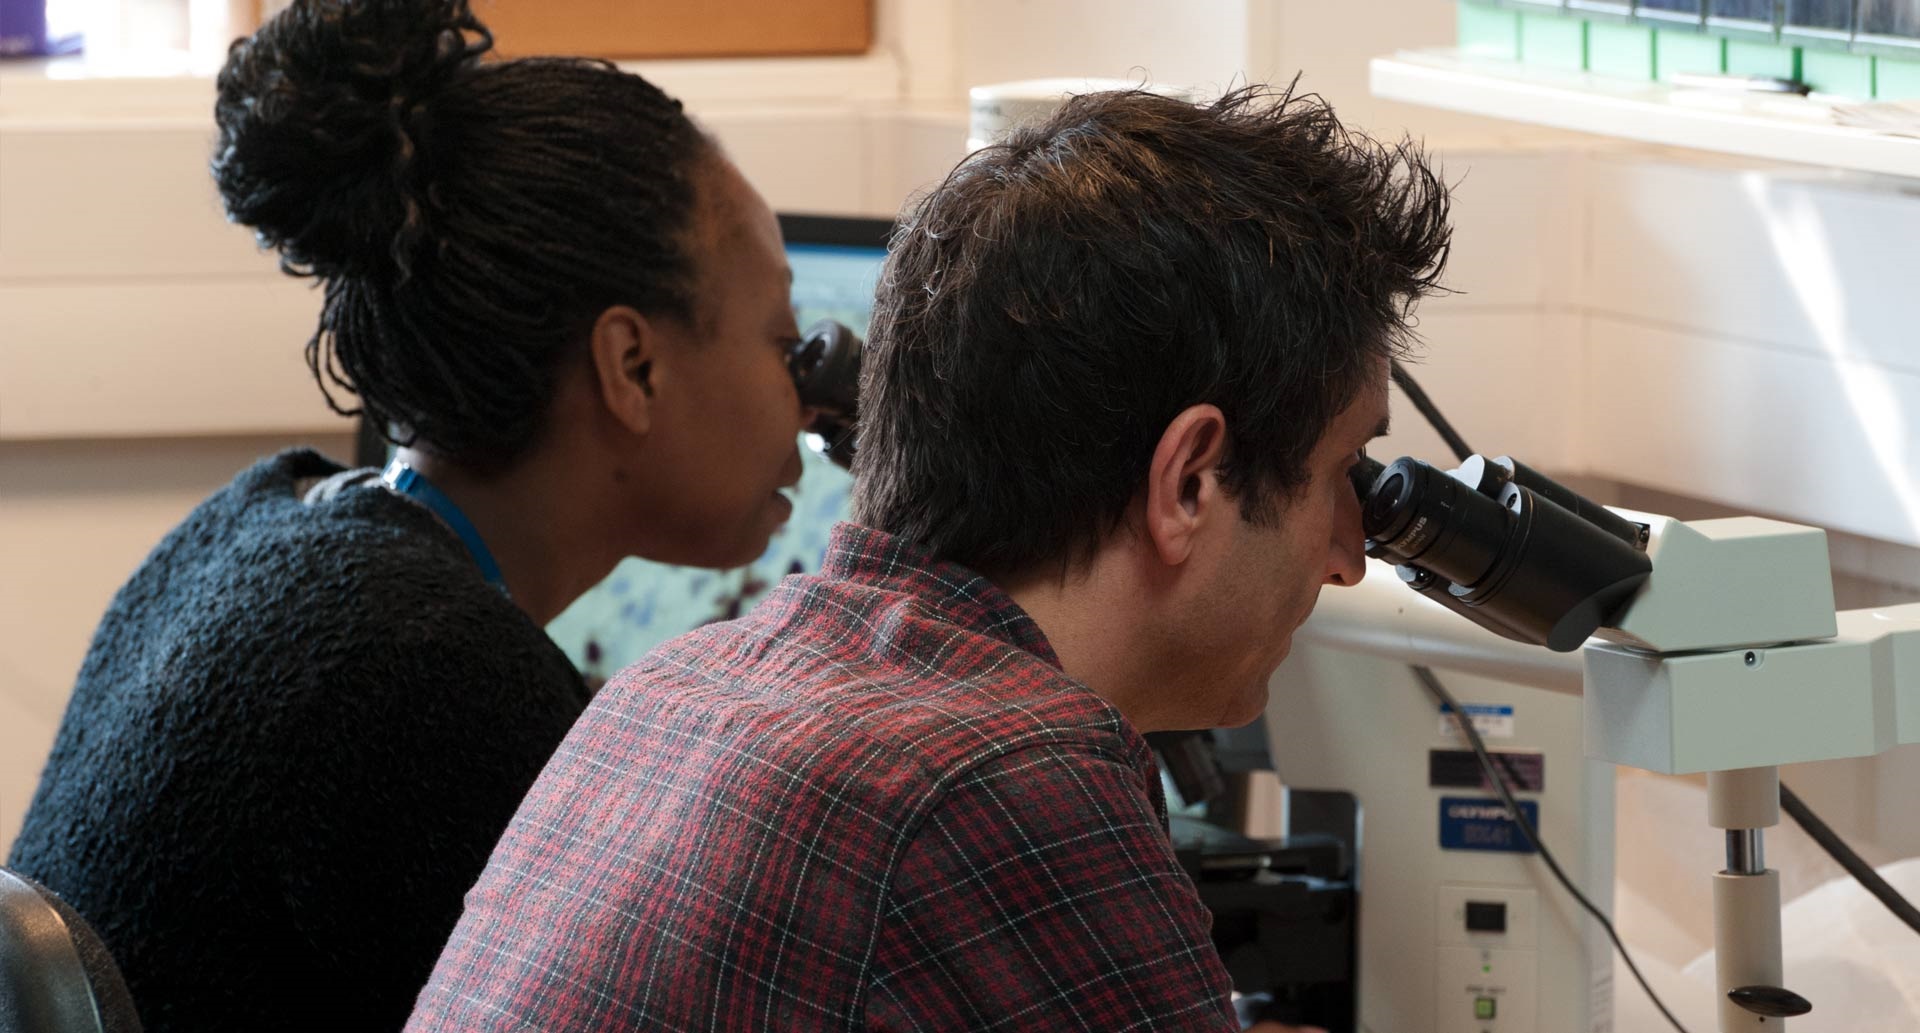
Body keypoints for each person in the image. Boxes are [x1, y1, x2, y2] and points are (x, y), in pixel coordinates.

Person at [406, 85, 1451, 1031]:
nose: (1350, 555)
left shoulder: (667, 695)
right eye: (1338, 474)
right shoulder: (1005, 780)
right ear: (1189, 481)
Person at [5, 2, 813, 1030]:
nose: (812, 401)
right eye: (784, 342)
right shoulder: (435, 679)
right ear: (633, 366)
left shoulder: (260, 522)